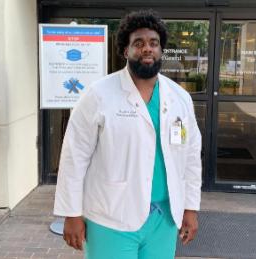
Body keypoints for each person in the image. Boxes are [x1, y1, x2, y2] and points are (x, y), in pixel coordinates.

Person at [54, 9, 202, 259]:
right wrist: (71, 213)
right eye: (139, 43)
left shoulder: (179, 98)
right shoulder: (99, 94)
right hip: (111, 216)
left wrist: (190, 208)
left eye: (154, 43)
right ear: (126, 51)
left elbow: (190, 157)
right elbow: (74, 155)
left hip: (163, 218)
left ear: (161, 50)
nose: (147, 49)